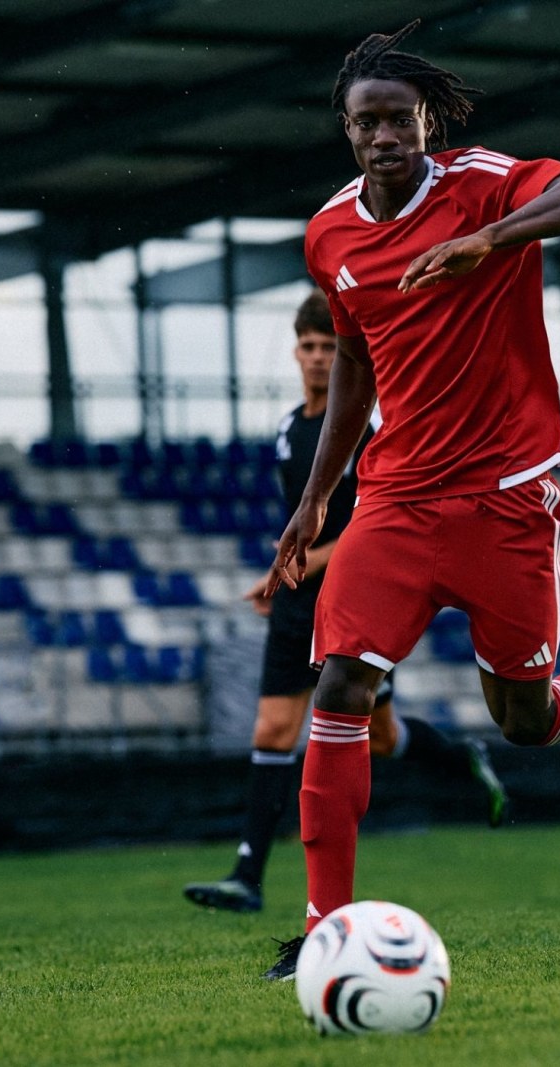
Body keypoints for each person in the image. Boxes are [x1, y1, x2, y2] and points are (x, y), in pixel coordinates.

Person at [260, 20, 560, 981]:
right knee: (341, 685)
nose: (386, 135)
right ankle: (324, 929)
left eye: (401, 118)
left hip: (506, 496)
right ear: (347, 130)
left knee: (526, 718)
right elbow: (355, 363)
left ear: (426, 122)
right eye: (368, 122)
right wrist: (317, 497)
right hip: (393, 499)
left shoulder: (482, 183)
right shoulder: (329, 236)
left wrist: (492, 239)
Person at [183, 288, 506, 915]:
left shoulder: (368, 430)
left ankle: (462, 756)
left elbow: (373, 521)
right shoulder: (288, 429)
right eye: (307, 346)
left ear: (346, 353)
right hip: (297, 601)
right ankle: (247, 877)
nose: (316, 357)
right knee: (274, 729)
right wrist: (279, 572)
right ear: (295, 352)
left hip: (357, 594)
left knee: (381, 737)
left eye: (328, 347)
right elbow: (301, 521)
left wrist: (302, 561)